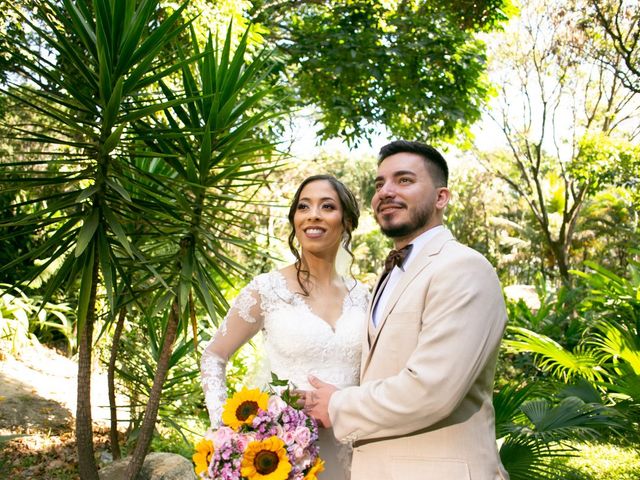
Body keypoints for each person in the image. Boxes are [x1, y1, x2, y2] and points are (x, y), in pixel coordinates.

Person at [304, 140, 510, 480]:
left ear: (441, 198)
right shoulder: (390, 274)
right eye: (379, 183)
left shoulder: (463, 267)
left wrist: (336, 405)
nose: (386, 191)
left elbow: (432, 389)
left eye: (404, 180)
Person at [200, 174, 370, 479]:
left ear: (346, 222)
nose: (313, 214)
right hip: (286, 456)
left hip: (359, 454)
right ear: (294, 220)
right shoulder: (267, 290)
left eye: (327, 206)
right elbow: (213, 356)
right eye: (304, 206)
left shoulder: (365, 297)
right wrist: (226, 431)